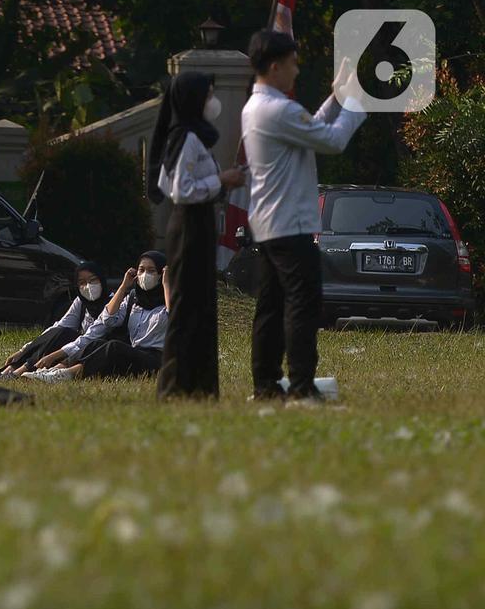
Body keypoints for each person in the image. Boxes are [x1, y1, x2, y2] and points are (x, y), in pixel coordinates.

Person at [242, 30, 366, 402]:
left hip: (268, 222)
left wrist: (337, 97)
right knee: (302, 304)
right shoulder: (280, 109)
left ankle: (265, 384)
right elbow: (332, 140)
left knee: (271, 306)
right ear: (276, 66)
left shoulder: (259, 107)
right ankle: (300, 386)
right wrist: (357, 105)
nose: (297, 71)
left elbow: (310, 126)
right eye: (293, 64)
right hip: (291, 224)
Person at [148, 72, 247, 400]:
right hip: (190, 225)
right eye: (208, 95)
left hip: (195, 223)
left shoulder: (188, 136)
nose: (212, 102)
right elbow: (181, 190)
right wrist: (221, 180)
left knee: (200, 305)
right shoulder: (187, 137)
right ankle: (177, 386)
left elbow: (163, 182)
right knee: (187, 306)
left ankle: (198, 386)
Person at [23, 252, 170, 383]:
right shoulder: (133, 299)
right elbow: (108, 319)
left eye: (151, 271)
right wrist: (124, 286)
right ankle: (56, 369)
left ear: (161, 273)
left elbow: (175, 318)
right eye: (141, 270)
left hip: (156, 359)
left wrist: (167, 284)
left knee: (114, 346)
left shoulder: (169, 299)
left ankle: (67, 374)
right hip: (134, 351)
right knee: (96, 343)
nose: (145, 275)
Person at [0, 261, 109, 379]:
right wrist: (25, 349)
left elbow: (91, 336)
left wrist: (53, 356)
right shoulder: (81, 301)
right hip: (74, 347)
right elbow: (59, 326)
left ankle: (20, 371)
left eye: (93, 280)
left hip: (93, 349)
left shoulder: (113, 304)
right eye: (82, 283)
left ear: (102, 280)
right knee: (60, 332)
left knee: (65, 334)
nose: (88, 286)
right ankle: (12, 368)